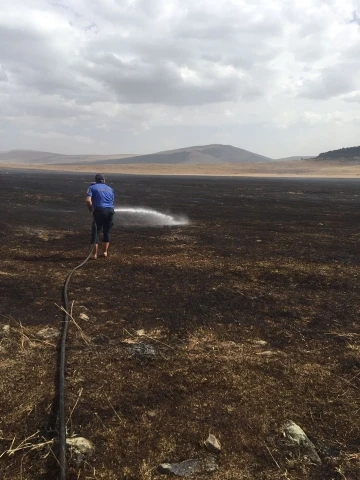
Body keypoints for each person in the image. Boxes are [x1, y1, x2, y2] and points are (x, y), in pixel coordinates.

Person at [86, 173, 115, 259]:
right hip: (110, 210)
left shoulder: (92, 187)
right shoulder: (110, 188)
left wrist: (91, 210)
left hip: (99, 210)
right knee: (107, 231)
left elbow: (88, 201)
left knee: (96, 231)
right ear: (104, 180)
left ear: (96, 180)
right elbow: (112, 201)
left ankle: (94, 254)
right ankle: (105, 252)